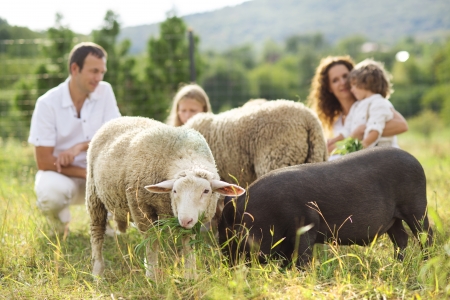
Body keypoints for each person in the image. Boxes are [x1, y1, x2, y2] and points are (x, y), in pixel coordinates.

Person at [28, 42, 121, 234]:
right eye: (94, 71)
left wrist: (79, 147)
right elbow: (44, 161)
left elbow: (116, 136)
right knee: (51, 193)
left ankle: (104, 222)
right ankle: (58, 221)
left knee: (123, 176)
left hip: (98, 173)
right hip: (61, 174)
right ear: (74, 68)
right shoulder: (47, 103)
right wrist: (86, 173)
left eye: (102, 72)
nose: (99, 78)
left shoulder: (105, 91)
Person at [307, 55, 408, 155]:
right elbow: (331, 149)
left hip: (381, 157)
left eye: (345, 76)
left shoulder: (373, 103)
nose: (342, 82)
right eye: (335, 80)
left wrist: (360, 135)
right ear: (329, 88)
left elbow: (401, 125)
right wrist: (352, 136)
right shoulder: (336, 120)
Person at [328, 58, 397, 148]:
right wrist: (335, 139)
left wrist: (360, 148)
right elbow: (348, 129)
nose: (351, 89)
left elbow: (375, 130)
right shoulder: (357, 106)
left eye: (354, 85)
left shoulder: (378, 103)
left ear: (365, 83)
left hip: (382, 153)